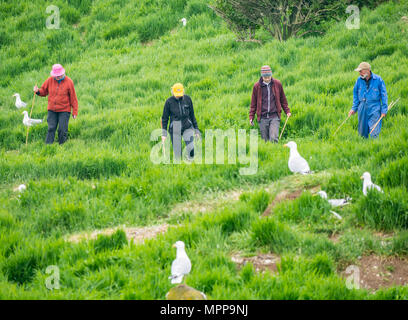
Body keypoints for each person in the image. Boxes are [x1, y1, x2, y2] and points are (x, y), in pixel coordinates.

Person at [33, 64, 78, 145]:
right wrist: (37, 91)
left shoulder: (69, 82)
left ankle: (62, 146)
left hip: (64, 110)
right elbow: (44, 91)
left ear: (62, 74)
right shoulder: (49, 80)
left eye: (59, 75)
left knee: (62, 129)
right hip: (52, 110)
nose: (57, 77)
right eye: (56, 76)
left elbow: (73, 98)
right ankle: (48, 146)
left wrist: (75, 111)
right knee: (51, 128)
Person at [249, 65, 291, 143]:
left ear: (271, 75)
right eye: (265, 77)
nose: (268, 79)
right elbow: (253, 104)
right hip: (262, 117)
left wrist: (287, 111)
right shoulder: (257, 86)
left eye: (269, 77)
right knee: (265, 141)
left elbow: (283, 99)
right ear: (262, 77)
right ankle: (268, 154)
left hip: (274, 116)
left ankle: (275, 153)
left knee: (273, 138)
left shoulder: (277, 84)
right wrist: (251, 116)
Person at [161, 83, 200, 161]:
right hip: (175, 128)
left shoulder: (188, 99)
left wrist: (196, 129)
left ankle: (190, 162)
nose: (178, 96)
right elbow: (164, 119)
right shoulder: (169, 102)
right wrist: (164, 134)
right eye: (176, 94)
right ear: (172, 92)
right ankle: (180, 165)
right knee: (178, 156)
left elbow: (192, 115)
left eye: (180, 94)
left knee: (191, 150)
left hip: (187, 126)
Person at [348, 62, 388, 139]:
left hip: (374, 108)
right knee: (362, 134)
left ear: (367, 70)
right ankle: (364, 147)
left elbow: (384, 96)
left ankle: (374, 147)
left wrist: (384, 110)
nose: (359, 73)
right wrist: (354, 108)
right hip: (362, 108)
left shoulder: (378, 80)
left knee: (374, 132)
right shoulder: (358, 81)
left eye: (361, 71)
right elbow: (355, 95)